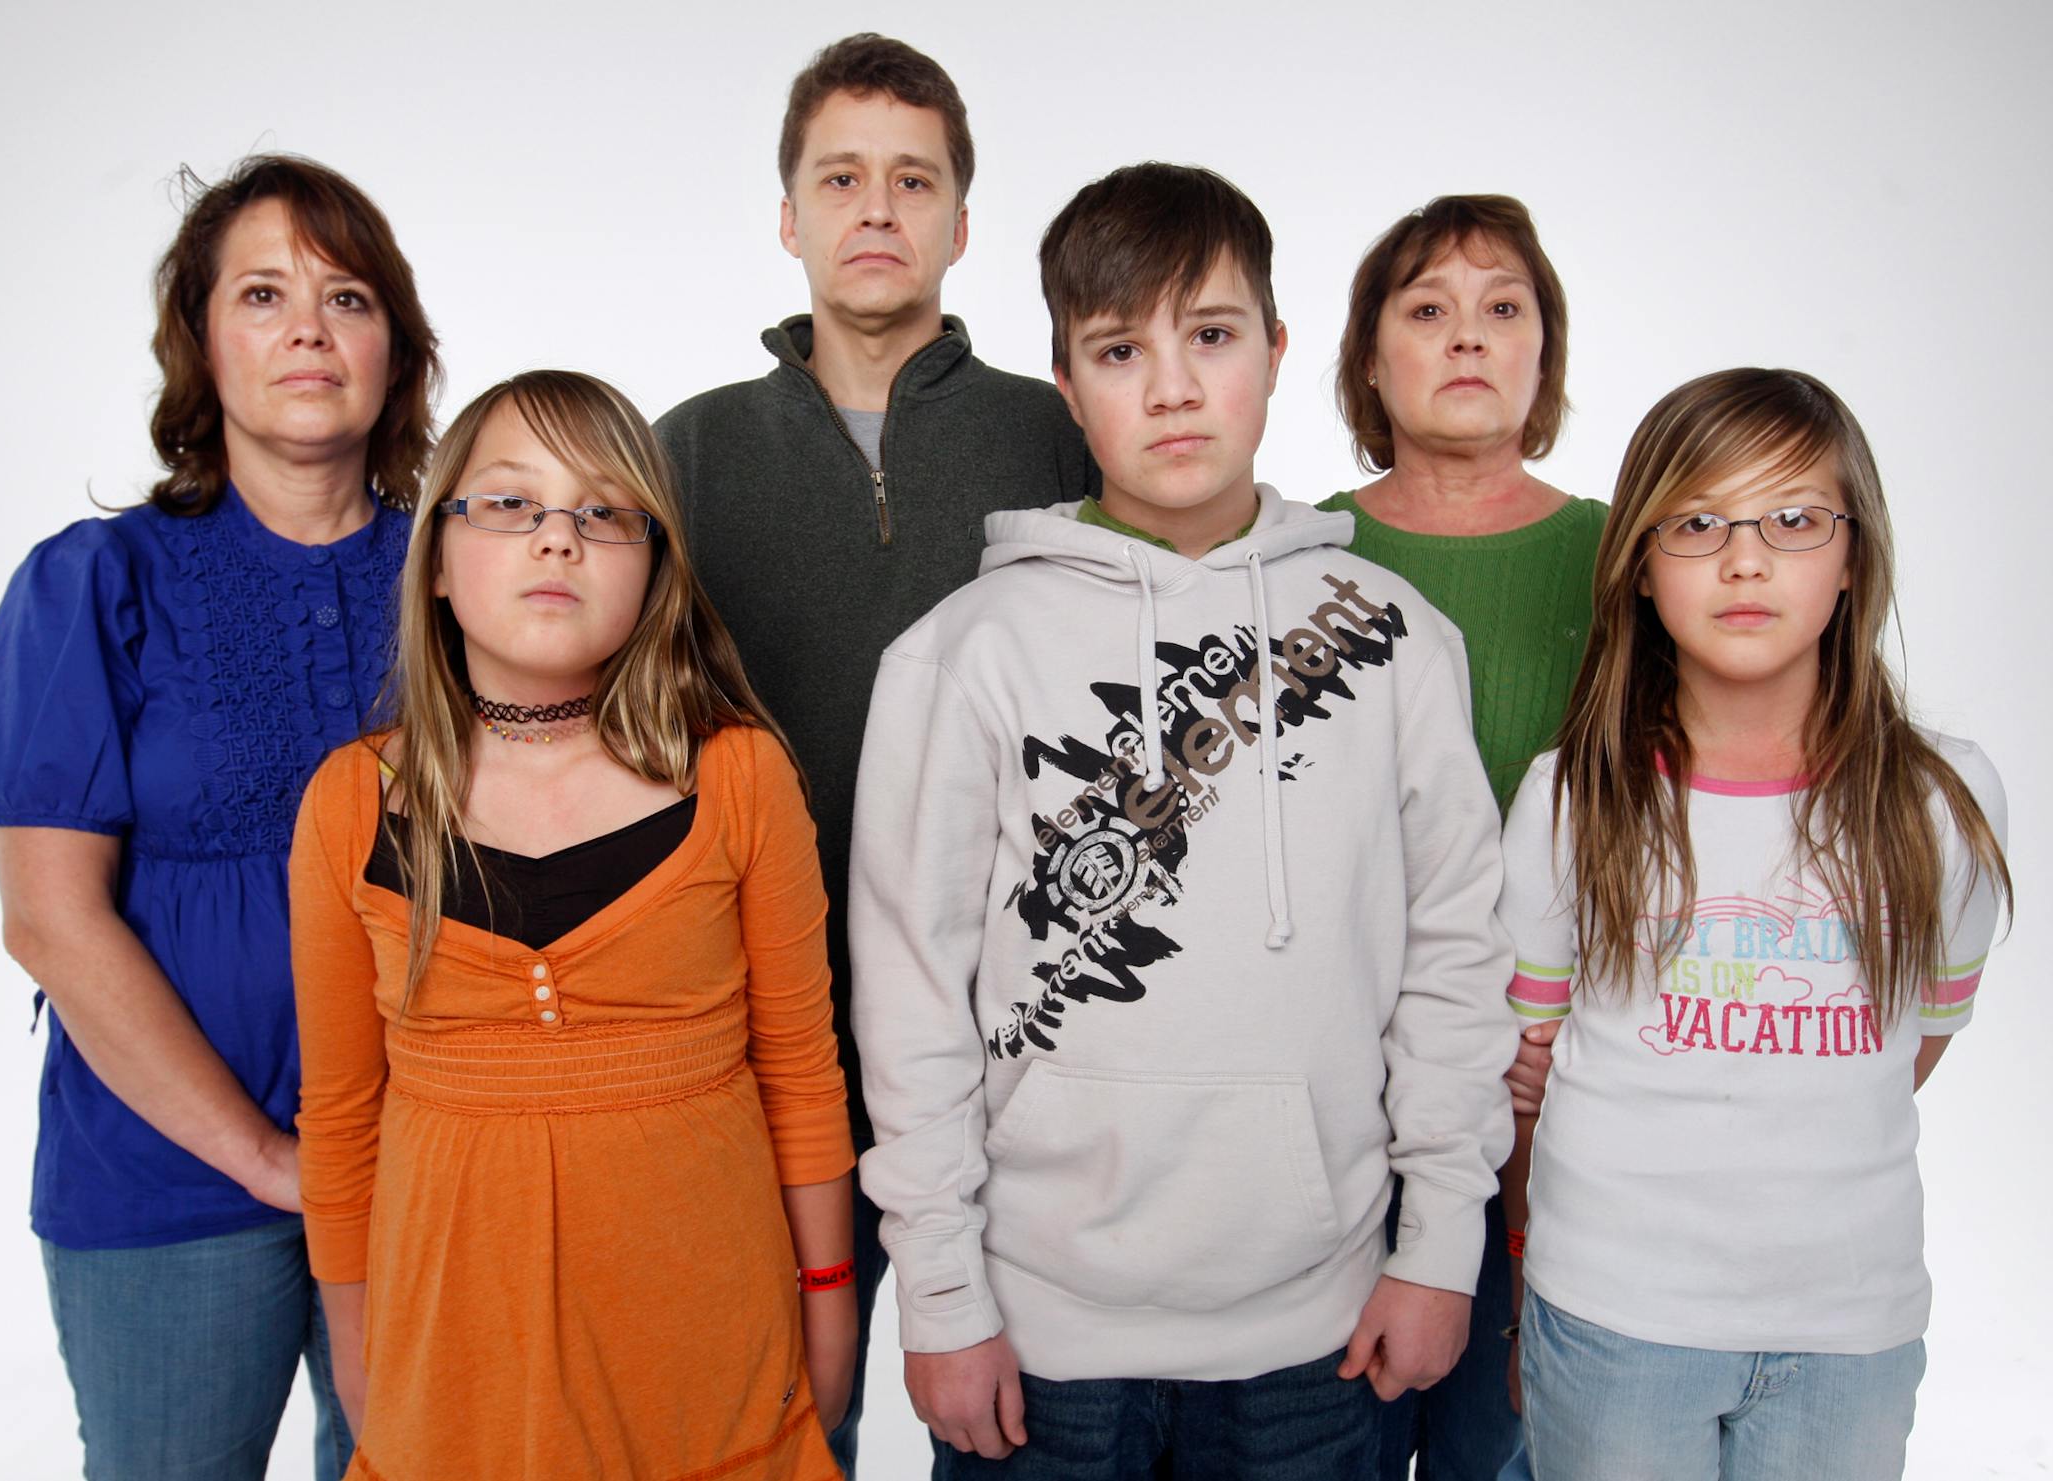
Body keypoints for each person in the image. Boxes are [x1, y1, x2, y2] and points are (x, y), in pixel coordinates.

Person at [849, 162, 1515, 1478]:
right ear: (1067, 382)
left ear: (1274, 350)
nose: (1170, 388)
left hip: (1320, 1335)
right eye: (1119, 350)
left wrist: (1442, 1245)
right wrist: (939, 1291)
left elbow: (1454, 960)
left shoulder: (1393, 641)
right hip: (1036, 1340)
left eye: (1210, 335)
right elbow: (913, 996)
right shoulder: (965, 653)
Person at [652, 32, 1096, 1473]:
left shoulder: (1059, 439)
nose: (878, 208)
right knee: (779, 1424)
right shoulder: (686, 453)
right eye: (840, 178)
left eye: (915, 180)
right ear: (788, 217)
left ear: (963, 222)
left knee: (1013, 1429)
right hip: (759, 1038)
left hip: (1011, 1041)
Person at [290, 371, 856, 1479]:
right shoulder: (349, 803)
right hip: (452, 1382)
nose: (560, 538)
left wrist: (829, 1299)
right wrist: (358, 1352)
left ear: (652, 568)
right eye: (511, 503)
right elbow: (344, 1119)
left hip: (712, 1373)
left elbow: (800, 1070)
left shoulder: (739, 776)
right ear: (437, 560)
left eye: (604, 512)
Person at [0, 153, 438, 1481]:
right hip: (163, 1180)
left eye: (347, 297)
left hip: (424, 1165)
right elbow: (50, 921)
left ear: (395, 349)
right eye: (263, 294)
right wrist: (269, 1158)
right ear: (202, 340)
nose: (308, 329)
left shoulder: (466, 577)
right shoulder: (91, 585)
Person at [1497, 368, 2010, 1480]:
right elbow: (1529, 1075)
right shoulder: (1573, 796)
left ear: (1854, 556)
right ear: (1639, 563)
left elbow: (1910, 1047)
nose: (1745, 559)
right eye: (1697, 523)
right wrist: (1528, 1278)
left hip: (1850, 1323)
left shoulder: (1942, 802)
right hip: (1614, 1311)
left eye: (1794, 519)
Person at [1318, 193, 1606, 1481]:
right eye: (1428, 309)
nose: (1469, 336)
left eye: (1503, 308)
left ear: (1546, 349)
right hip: (1343, 1090)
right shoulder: (1303, 551)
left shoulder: (1622, 557)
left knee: (1508, 1440)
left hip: (1554, 1093)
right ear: (1370, 358)